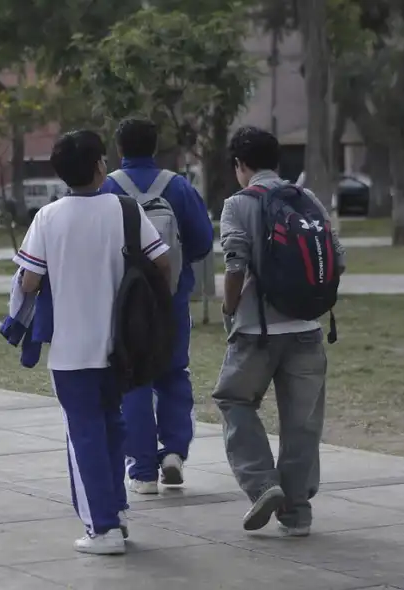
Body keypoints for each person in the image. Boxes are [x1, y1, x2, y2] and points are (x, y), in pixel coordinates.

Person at [14, 129, 172, 555]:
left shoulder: (48, 218)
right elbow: (162, 261)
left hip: (71, 350)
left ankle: (100, 529)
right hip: (120, 347)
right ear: (100, 166)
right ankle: (116, 513)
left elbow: (29, 279)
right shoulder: (125, 210)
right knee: (112, 428)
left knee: (82, 435)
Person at [213, 126, 345, 537]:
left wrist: (230, 308)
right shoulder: (307, 200)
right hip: (308, 329)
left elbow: (235, 265)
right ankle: (298, 513)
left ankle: (263, 484)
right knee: (301, 423)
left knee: (234, 399)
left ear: (240, 165)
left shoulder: (237, 204)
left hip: (258, 331)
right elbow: (338, 257)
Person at [101, 117, 214, 494]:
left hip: (124, 304)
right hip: (171, 300)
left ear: (119, 149)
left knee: (133, 380)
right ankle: (174, 452)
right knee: (173, 374)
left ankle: (142, 470)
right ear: (155, 147)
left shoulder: (108, 187)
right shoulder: (178, 187)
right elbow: (200, 242)